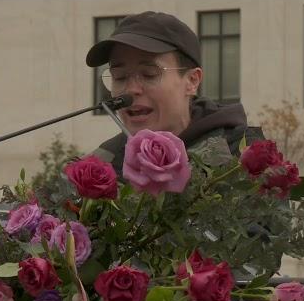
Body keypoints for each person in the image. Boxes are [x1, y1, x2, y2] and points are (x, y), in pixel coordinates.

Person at [86, 10, 265, 177]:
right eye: (120, 77)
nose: (132, 89)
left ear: (192, 80)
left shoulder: (241, 157)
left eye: (149, 74)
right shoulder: (101, 166)